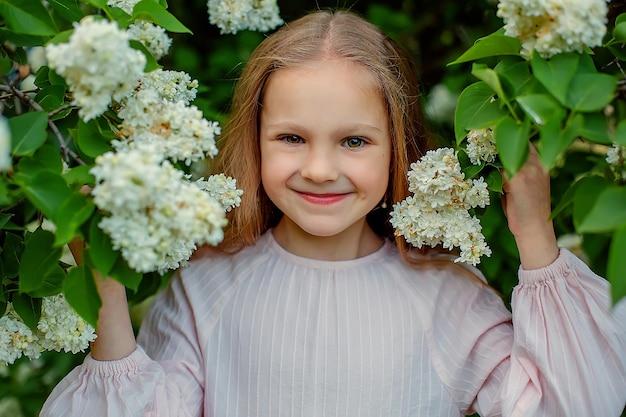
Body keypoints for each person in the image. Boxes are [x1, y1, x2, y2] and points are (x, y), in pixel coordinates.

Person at [41, 9, 625, 417]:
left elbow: (571, 405)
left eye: (354, 141)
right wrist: (107, 297)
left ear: (397, 145)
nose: (320, 169)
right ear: (255, 139)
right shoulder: (207, 283)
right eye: (291, 137)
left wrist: (535, 233)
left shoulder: (445, 292)